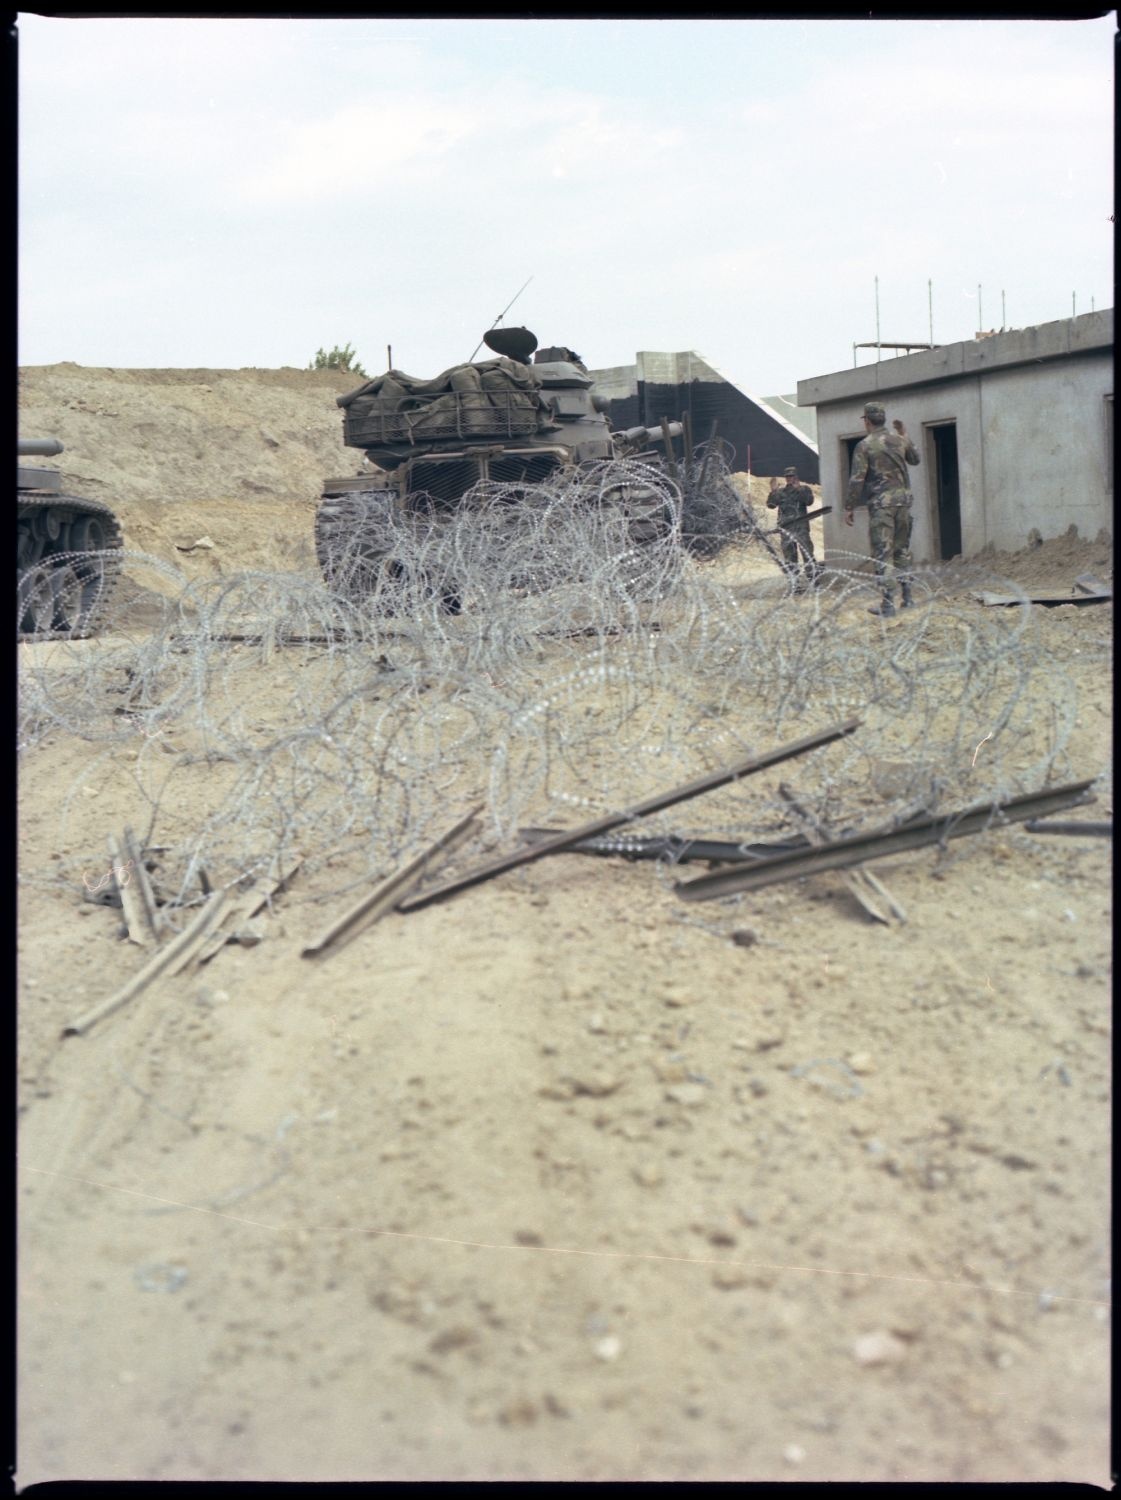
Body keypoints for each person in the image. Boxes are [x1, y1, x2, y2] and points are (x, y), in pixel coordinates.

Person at [844, 402, 920, 616]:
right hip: (903, 503)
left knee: (882, 552)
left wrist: (849, 506)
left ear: (867, 421)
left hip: (882, 506)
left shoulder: (865, 445)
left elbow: (857, 479)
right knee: (902, 550)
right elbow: (916, 459)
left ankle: (887, 603)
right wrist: (905, 434)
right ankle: (908, 598)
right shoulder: (899, 440)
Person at [767, 466, 818, 592]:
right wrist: (773, 491)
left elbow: (809, 501)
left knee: (807, 555)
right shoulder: (781, 492)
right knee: (790, 557)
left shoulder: (804, 489)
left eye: (792, 476)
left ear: (797, 477)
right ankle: (795, 584)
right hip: (786, 529)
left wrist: (799, 489)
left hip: (801, 528)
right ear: (785, 478)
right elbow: (771, 505)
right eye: (788, 476)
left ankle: (815, 581)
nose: (790, 479)